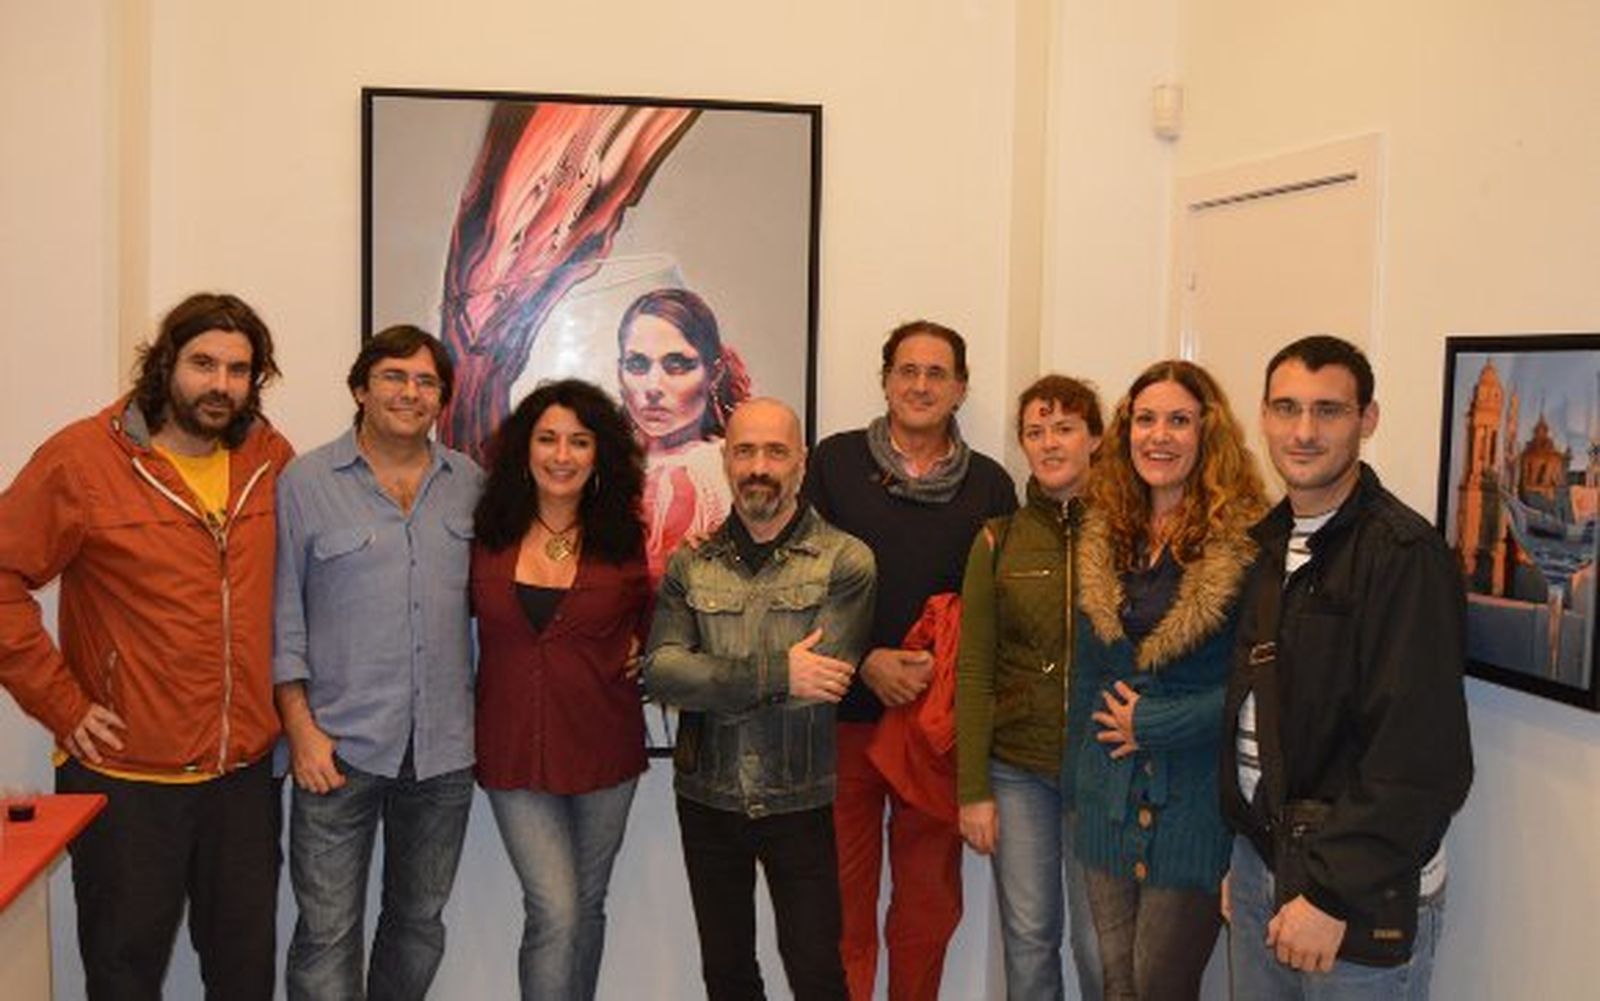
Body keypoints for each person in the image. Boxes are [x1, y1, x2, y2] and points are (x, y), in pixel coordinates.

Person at [0, 292, 292, 1000]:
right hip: (128, 778)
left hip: (243, 778)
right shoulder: (83, 458)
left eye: (238, 369)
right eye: (202, 363)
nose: (220, 384)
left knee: (245, 975)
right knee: (124, 975)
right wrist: (61, 704)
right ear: (165, 362)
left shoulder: (268, 456)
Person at [1220, 335, 1472, 999]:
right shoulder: (1266, 544)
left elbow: (1420, 755)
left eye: (1328, 411)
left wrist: (1328, 894)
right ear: (1264, 418)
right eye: (1286, 408)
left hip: (1352, 893)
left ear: (1368, 419)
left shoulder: (1403, 555)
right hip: (1263, 866)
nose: (1303, 431)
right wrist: (1248, 851)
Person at [804, 319, 1017, 1001]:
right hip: (846, 719)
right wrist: (863, 658)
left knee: (928, 909)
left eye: (936, 373)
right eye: (907, 370)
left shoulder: (990, 485)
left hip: (936, 730)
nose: (920, 385)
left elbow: (1000, 610)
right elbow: (800, 583)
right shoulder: (833, 464)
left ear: (960, 387)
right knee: (842, 905)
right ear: (886, 379)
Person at [274, 326, 482, 1001]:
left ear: (441, 400)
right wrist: (299, 728)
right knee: (327, 933)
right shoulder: (305, 481)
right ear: (361, 387)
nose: (410, 392)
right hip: (337, 750)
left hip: (443, 752)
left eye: (426, 382)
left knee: (419, 926)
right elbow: (283, 616)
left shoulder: (470, 484)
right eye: (394, 375)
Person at [644, 398, 875, 1001]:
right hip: (707, 797)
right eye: (745, 451)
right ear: (726, 459)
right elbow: (663, 673)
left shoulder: (846, 561)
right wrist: (779, 671)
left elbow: (823, 683)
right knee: (726, 975)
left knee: (817, 971)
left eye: (775, 451)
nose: (759, 466)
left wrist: (713, 676)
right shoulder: (690, 564)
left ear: (800, 461)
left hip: (798, 797)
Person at [1071, 359, 1267, 1001]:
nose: (1159, 436)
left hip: (1191, 807)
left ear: (1207, 433)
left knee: (1160, 985)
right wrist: (1081, 781)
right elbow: (1091, 670)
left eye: (1179, 421)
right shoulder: (1105, 530)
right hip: (1107, 800)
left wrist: (1153, 723)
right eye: (1146, 419)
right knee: (1111, 983)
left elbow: (1262, 682)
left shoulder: (1249, 543)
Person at [471, 378, 653, 1000]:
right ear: (525, 449)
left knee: (588, 905)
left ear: (599, 454)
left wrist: (648, 649)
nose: (562, 455)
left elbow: (666, 624)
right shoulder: (485, 536)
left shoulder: (627, 541)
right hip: (512, 752)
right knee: (555, 908)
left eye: (579, 441)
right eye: (547, 439)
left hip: (606, 751)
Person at [956, 375, 1105, 1001]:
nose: (1050, 444)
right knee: (1029, 940)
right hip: (1018, 772)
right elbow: (974, 668)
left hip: (1105, 771)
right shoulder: (997, 539)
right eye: (1036, 432)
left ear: (1096, 438)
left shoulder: (1129, 535)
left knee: (1101, 950)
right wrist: (972, 791)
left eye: (1065, 428)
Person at [616, 287, 752, 583]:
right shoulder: (599, 466)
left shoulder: (738, 469)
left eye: (676, 365)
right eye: (637, 364)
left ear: (714, 372)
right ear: (619, 372)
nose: (653, 386)